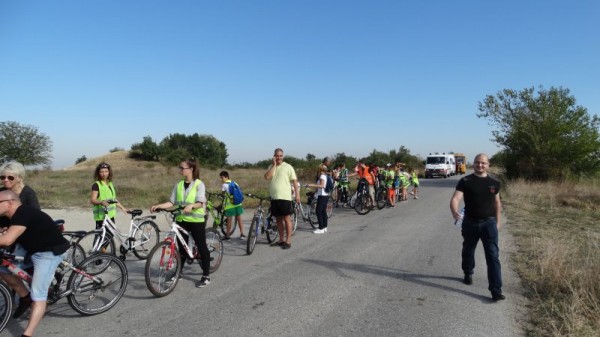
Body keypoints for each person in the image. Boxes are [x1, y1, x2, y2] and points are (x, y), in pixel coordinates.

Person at [0, 190, 70, 337]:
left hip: (49, 253)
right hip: (31, 250)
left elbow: (7, 240)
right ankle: (25, 297)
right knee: (3, 267)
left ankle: (28, 334)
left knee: (39, 294)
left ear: (10, 202)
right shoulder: (6, 217)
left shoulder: (23, 212)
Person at [449, 153, 504, 301]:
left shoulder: (494, 182)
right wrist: (455, 212)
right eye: (477, 162)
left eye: (483, 163)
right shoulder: (465, 181)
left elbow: (497, 203)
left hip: (489, 223)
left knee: (493, 255)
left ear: (488, 165)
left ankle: (496, 290)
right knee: (468, 250)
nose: (480, 165)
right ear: (473, 164)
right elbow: (456, 198)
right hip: (470, 223)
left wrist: (498, 222)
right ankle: (468, 272)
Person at [150, 159, 211, 288]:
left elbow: (200, 202)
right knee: (181, 248)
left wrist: (192, 206)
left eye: (182, 168)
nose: (180, 170)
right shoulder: (178, 185)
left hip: (195, 220)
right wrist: (159, 206)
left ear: (191, 169)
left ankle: (206, 275)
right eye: (180, 168)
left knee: (202, 247)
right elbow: (172, 202)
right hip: (181, 220)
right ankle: (179, 272)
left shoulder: (199, 184)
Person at [264, 148, 300, 249]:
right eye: (276, 156)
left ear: (283, 156)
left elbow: (295, 182)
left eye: (280, 156)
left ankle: (288, 241)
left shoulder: (288, 167)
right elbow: (267, 177)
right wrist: (274, 165)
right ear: (274, 156)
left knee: (286, 218)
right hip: (274, 197)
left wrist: (297, 195)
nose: (278, 157)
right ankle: (281, 239)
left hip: (285, 197)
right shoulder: (271, 166)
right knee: (278, 219)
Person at [90, 162, 128, 229]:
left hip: (110, 216)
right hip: (101, 217)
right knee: (100, 238)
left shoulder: (110, 184)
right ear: (98, 173)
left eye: (106, 171)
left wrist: (122, 208)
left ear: (109, 172)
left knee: (110, 237)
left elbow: (113, 199)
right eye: (101, 172)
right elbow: (93, 200)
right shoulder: (96, 185)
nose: (104, 174)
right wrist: (101, 202)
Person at [219, 170, 245, 240]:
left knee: (229, 221)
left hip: (230, 206)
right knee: (239, 219)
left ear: (226, 177)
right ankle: (242, 234)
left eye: (222, 177)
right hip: (238, 204)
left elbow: (223, 195)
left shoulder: (224, 185)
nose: (221, 179)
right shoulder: (235, 183)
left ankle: (227, 236)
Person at [307, 164, 329, 234]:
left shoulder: (322, 176)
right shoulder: (325, 175)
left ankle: (321, 228)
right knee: (323, 211)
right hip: (325, 195)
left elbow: (322, 185)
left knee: (318, 211)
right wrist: (315, 191)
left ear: (320, 169)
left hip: (322, 195)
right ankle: (325, 226)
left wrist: (312, 185)